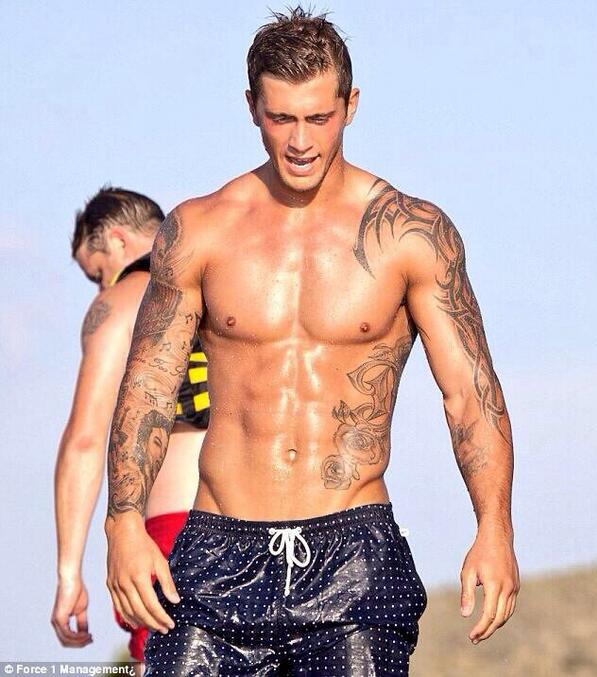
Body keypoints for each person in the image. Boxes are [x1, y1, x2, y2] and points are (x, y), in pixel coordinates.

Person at [105, 8, 520, 675]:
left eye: (318, 118)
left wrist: (494, 527)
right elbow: (150, 383)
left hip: (353, 557)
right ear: (251, 107)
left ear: (350, 105)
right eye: (281, 118)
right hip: (216, 552)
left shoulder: (411, 235)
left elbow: (470, 394)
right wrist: (124, 521)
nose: (300, 141)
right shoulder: (199, 230)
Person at [51, 187, 210, 667]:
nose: (100, 289)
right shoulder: (227, 281)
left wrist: (69, 573)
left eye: (98, 274)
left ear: (118, 241)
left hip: (176, 533)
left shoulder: (120, 303)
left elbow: (85, 440)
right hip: (279, 526)